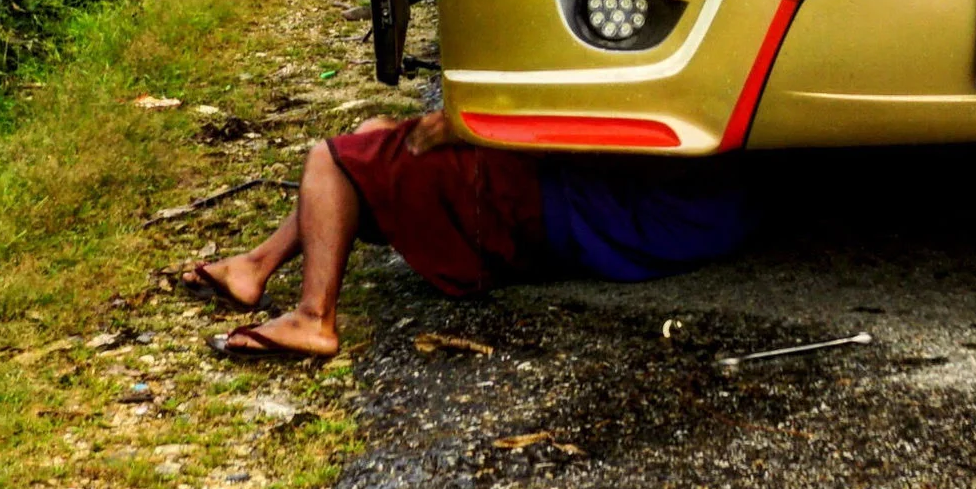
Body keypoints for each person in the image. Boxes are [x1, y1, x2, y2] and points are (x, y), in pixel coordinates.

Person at [181, 108, 755, 362]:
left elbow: (577, 114)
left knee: (333, 160)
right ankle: (256, 265)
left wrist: (470, 124)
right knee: (376, 135)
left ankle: (313, 317)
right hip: (608, 219)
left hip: (568, 210)